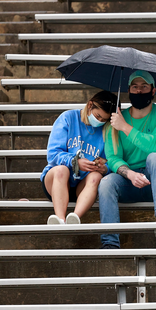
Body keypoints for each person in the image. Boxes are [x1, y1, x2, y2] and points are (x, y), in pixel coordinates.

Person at [98, 70, 156, 249]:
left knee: (155, 157)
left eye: (144, 87)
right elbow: (112, 157)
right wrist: (131, 174)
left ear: (153, 90)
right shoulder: (115, 120)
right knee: (106, 183)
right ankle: (110, 244)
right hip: (130, 181)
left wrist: (125, 128)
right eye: (135, 87)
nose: (139, 91)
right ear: (128, 90)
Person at [40, 90, 118, 225]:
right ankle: (60, 219)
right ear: (90, 105)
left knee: (96, 177)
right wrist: (74, 162)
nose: (100, 121)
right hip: (56, 182)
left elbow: (113, 161)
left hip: (84, 188)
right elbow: (53, 154)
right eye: (97, 116)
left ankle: (74, 218)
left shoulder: (108, 130)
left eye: (104, 120)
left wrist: (104, 169)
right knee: (61, 170)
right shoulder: (68, 118)